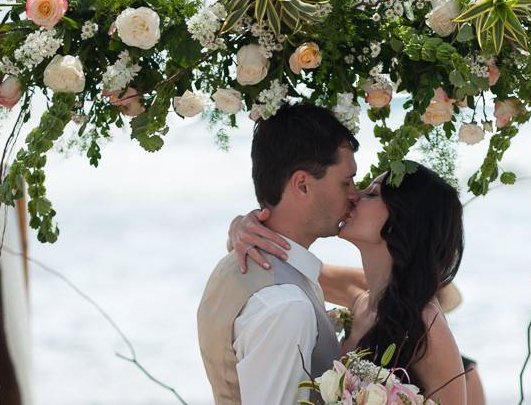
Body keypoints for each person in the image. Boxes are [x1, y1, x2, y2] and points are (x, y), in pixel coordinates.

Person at [229, 165, 470, 404]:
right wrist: (243, 227)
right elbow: (282, 262)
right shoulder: (363, 301)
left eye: (372, 193)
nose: (355, 196)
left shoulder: (426, 322)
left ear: (402, 219)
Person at [197, 102, 360, 405]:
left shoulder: (239, 266)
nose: (355, 194)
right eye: (346, 182)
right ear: (302, 185)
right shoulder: (286, 305)